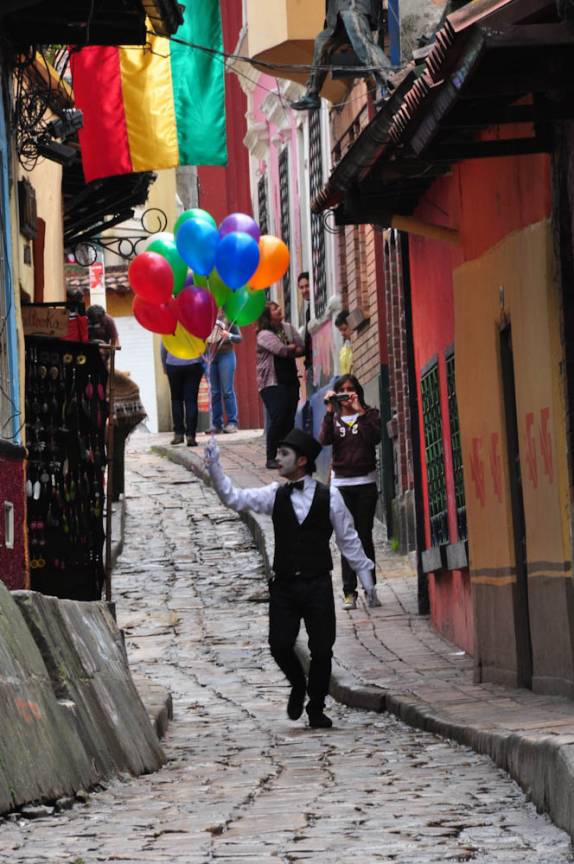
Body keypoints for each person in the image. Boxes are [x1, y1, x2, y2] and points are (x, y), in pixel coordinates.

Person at [204, 427, 377, 728]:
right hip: (284, 584)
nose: (277, 459)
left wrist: (366, 576)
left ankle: (317, 707)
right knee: (279, 643)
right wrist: (215, 468)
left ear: (302, 461)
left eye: (284, 454)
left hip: (318, 582)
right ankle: (298, 683)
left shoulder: (330, 497)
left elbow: (348, 539)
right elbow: (235, 499)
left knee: (322, 648)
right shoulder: (274, 495)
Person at [319, 374, 381, 610]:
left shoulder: (370, 414)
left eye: (350, 389)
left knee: (364, 535)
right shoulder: (333, 419)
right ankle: (349, 591)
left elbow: (374, 438)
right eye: (342, 390)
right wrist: (328, 410)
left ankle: (370, 587)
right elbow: (324, 440)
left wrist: (360, 411)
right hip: (341, 485)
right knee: (346, 537)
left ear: (357, 391)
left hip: (366, 483)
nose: (346, 394)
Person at [291, 0, 392, 111]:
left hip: (353, 4)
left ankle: (390, 79)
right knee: (322, 42)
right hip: (338, 12)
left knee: (362, 43)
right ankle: (312, 93)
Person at [256, 301, 305, 469]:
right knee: (278, 418)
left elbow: (301, 347)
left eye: (278, 307)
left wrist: (292, 348)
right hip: (271, 383)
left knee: (289, 419)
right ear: (268, 315)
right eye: (275, 309)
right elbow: (281, 350)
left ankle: (286, 454)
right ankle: (271, 456)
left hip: (290, 379)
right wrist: (291, 348)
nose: (279, 310)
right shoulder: (263, 334)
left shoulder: (288, 328)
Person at [160, 344, 203, 447]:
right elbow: (203, 344)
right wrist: (202, 362)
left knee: (176, 399)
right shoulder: (194, 327)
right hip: (193, 363)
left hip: (173, 365)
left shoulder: (169, 328)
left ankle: (178, 434)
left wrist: (165, 366)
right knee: (191, 400)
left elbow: (163, 348)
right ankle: (190, 436)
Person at [205, 316, 242, 434]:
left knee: (227, 390)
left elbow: (239, 338)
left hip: (226, 355)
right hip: (211, 356)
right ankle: (216, 424)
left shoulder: (229, 317)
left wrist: (229, 335)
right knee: (214, 392)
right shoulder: (206, 315)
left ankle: (232, 422)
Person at [335, 309, 353, 374]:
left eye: (344, 329)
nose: (342, 334)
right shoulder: (343, 350)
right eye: (340, 331)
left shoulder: (358, 343)